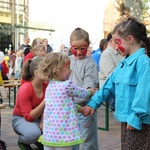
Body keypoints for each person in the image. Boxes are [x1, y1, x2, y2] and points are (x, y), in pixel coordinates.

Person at [83, 17, 150, 150]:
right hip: (127, 120)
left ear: (130, 39)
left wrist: (136, 116)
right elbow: (108, 86)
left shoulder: (143, 62)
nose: (115, 46)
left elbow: (144, 92)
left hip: (138, 122)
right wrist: (93, 103)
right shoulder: (123, 63)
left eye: (117, 42)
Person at [37, 52, 96, 150]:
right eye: (68, 67)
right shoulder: (66, 85)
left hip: (49, 135)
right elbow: (82, 93)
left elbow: (64, 104)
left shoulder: (49, 87)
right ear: (56, 71)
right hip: (63, 135)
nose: (70, 70)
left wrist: (80, 109)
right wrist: (91, 92)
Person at [69, 27, 99, 150]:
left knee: (88, 140)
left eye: (83, 48)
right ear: (70, 45)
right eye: (75, 48)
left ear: (88, 45)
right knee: (71, 140)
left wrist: (88, 91)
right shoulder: (67, 61)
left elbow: (88, 86)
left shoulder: (90, 63)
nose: (79, 52)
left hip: (86, 108)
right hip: (70, 107)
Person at [12, 56, 48, 150]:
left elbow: (48, 108)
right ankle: (23, 141)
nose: (48, 71)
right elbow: (28, 117)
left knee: (55, 130)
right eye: (45, 69)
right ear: (36, 73)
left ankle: (39, 140)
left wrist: (43, 121)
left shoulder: (47, 86)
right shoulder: (25, 89)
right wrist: (45, 101)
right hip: (21, 118)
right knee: (33, 134)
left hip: (39, 119)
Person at [99, 32, 123, 111]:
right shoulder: (106, 54)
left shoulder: (120, 52)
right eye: (116, 42)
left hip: (119, 85)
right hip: (110, 87)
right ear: (110, 41)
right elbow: (111, 76)